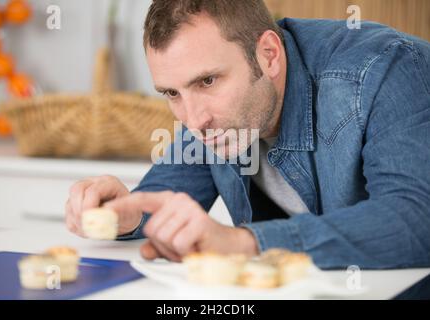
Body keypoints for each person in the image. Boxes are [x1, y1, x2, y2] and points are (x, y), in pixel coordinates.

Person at [65, 0, 430, 269]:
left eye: (207, 81)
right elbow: (162, 201)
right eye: (172, 93)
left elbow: (416, 219)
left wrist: (245, 244)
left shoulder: (386, 68)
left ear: (268, 55)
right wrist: (126, 214)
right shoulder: (209, 116)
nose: (193, 120)